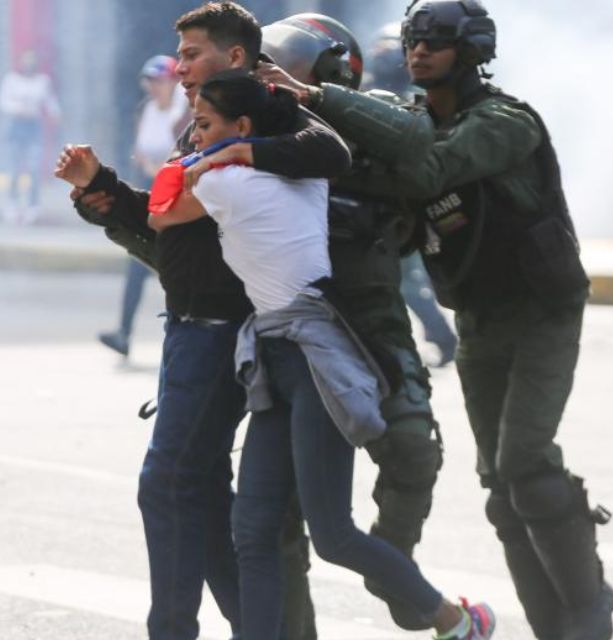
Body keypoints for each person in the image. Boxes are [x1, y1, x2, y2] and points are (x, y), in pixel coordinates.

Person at [301, 2, 613, 638]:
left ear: (471, 50)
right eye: (415, 39)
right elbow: (387, 176)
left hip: (541, 311)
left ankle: (589, 611)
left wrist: (326, 100)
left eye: (437, 40)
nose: (419, 51)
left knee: (527, 464)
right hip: (479, 315)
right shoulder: (414, 122)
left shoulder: (505, 121)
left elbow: (429, 168)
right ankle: (554, 625)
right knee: (501, 486)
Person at [148, 69, 495, 640]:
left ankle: (455, 621)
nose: (193, 135)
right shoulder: (304, 174)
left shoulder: (224, 186)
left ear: (242, 126)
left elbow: (161, 211)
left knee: (331, 533)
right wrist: (243, 139)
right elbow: (325, 148)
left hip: (311, 362)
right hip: (277, 355)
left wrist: (217, 157)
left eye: (203, 124)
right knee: (253, 530)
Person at [54, 4, 350, 639]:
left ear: (236, 57)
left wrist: (239, 147)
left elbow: (328, 149)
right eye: (180, 56)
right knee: (203, 493)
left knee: (166, 484)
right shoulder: (200, 127)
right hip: (187, 328)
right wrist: (99, 189)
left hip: (222, 332)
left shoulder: (260, 110)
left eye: (192, 54)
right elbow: (164, 223)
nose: (180, 67)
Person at [255, 13, 446, 631]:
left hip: (374, 324)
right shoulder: (257, 134)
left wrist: (316, 99)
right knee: (278, 514)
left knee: (414, 450)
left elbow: (417, 144)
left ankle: (393, 569)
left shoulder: (373, 119)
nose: (275, 78)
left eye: (290, 68)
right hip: (295, 333)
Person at [367, 21, 458, 366]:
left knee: (406, 282)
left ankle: (441, 340)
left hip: (401, 209)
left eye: (390, 49)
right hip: (378, 208)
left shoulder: (420, 105)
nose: (382, 55)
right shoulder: (362, 94)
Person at [98, 55, 189, 357]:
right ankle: (123, 333)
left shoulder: (185, 113)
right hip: (149, 196)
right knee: (137, 263)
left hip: (177, 200)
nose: (153, 88)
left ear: (174, 82)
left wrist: (159, 169)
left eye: (159, 81)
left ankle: (183, 333)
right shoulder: (147, 110)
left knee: (176, 267)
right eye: (149, 82)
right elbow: (139, 150)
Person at [0, 49, 61, 224]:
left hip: (33, 127)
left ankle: (33, 206)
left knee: (33, 168)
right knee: (15, 167)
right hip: (16, 127)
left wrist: (57, 116)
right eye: (26, 60)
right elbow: (3, 102)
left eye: (32, 60)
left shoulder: (42, 82)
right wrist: (20, 109)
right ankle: (12, 204)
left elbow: (50, 102)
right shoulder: (11, 80)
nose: (29, 64)